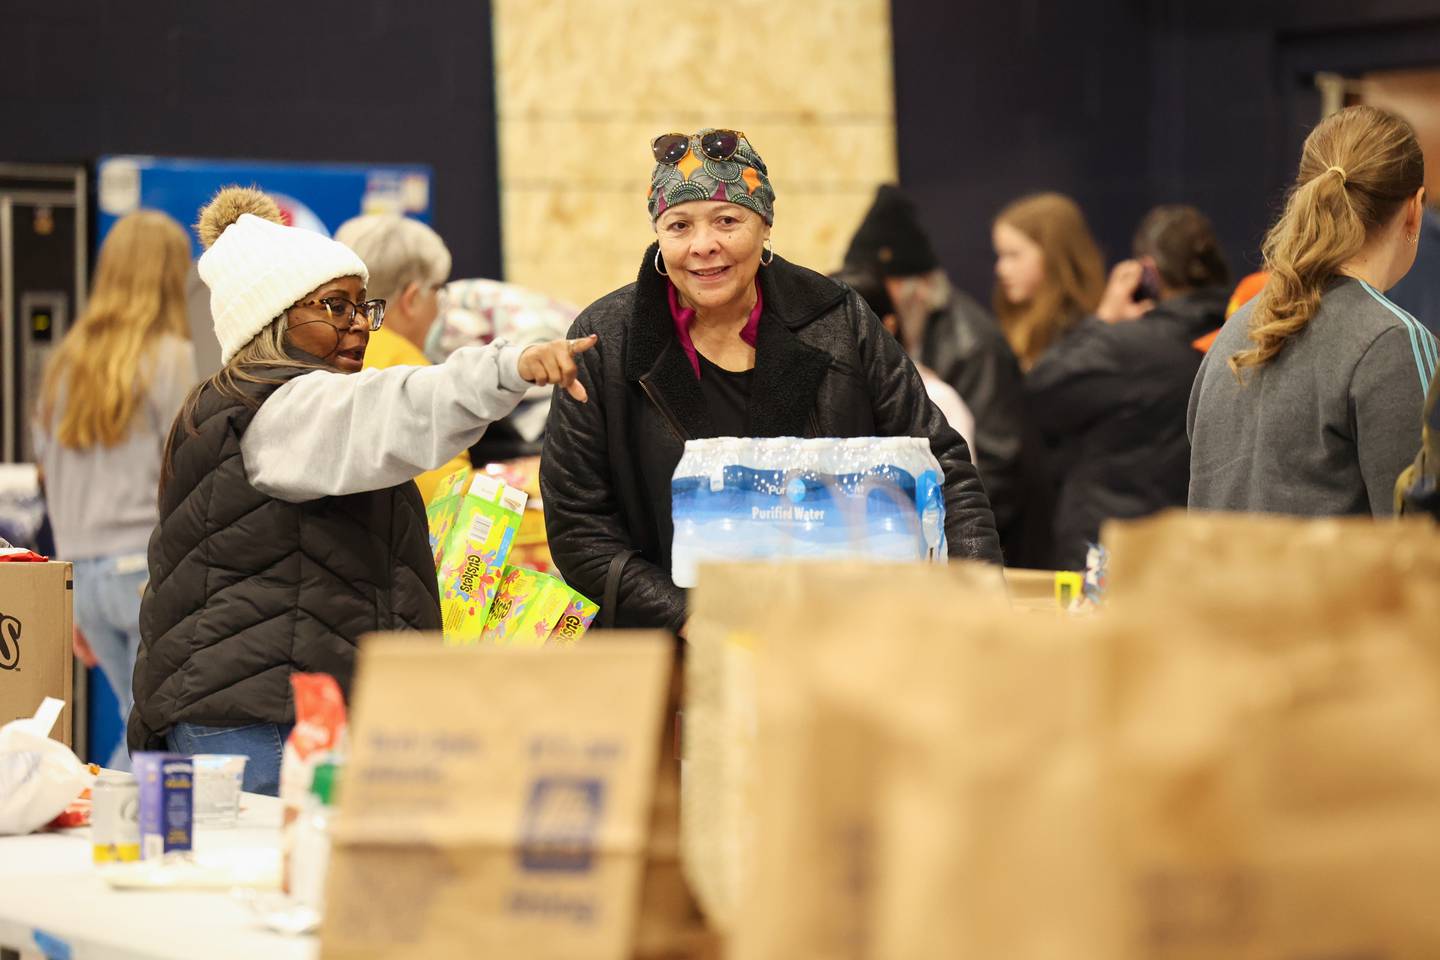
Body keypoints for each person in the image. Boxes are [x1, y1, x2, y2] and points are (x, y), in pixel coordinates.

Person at [129, 187, 592, 794]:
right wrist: (511, 368)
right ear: (273, 316)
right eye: (334, 307)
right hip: (262, 723)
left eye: (360, 308)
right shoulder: (282, 409)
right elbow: (397, 408)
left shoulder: (241, 406)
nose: (357, 326)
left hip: (255, 710)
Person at [541, 129, 1001, 632]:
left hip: (838, 640)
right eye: (679, 225)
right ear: (659, 236)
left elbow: (943, 466)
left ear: (765, 226)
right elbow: (579, 527)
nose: (703, 246)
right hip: (672, 652)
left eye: (727, 220)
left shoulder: (838, 319)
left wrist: (977, 599)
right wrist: (695, 619)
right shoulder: (605, 338)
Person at [1190, 105, 1439, 517]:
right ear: (1414, 209)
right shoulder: (1393, 340)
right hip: (1336, 585)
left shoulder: (1231, 334)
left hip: (1218, 583)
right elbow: (1422, 538)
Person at [32, 211, 197, 770]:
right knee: (156, 733)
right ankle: (124, 843)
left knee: (139, 722)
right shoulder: (171, 357)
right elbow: (183, 473)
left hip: (82, 575)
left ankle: (119, 838)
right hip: (145, 567)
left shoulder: (62, 366)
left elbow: (48, 479)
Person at [842, 184, 1047, 564]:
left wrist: (962, 553)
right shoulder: (911, 333)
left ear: (909, 288)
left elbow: (995, 466)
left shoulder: (972, 345)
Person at [1027, 205, 1231, 568]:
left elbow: (1040, 390)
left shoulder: (1124, 348)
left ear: (1147, 273)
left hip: (1112, 553)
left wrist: (1104, 319)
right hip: (1199, 549)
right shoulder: (1240, 335)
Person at [333, 214, 467, 501]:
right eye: (437, 291)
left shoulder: (317, 355)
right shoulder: (409, 372)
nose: (440, 308)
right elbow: (445, 499)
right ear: (412, 298)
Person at [832, 262, 977, 457]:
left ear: (888, 326)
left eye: (846, 329)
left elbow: (956, 479)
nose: (832, 343)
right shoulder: (819, 394)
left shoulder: (934, 397)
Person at [992, 192, 1106, 371]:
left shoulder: (1081, 334)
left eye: (1013, 255)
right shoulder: (1011, 321)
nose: (1001, 269)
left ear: (1053, 256)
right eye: (1000, 255)